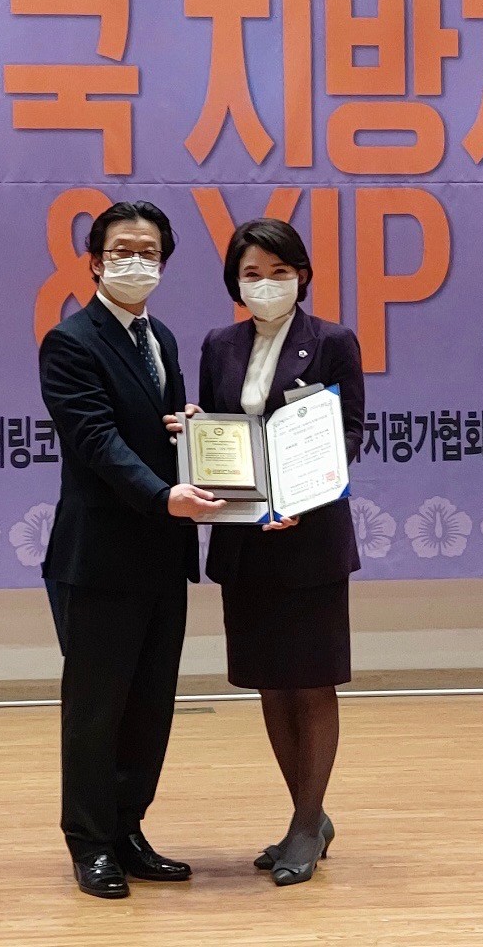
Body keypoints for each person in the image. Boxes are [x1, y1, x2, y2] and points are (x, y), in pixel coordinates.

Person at [168, 219, 364, 887]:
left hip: (309, 538)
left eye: (280, 272)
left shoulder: (332, 341)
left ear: (302, 275)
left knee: (311, 680)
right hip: (245, 539)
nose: (267, 284)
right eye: (252, 273)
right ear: (235, 281)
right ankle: (308, 815)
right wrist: (198, 433)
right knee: (270, 681)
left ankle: (305, 825)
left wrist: (301, 497)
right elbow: (224, 430)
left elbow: (349, 435)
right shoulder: (219, 344)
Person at [39, 200, 224, 899]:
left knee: (150, 706)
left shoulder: (161, 338)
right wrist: (162, 495)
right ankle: (90, 844)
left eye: (149, 252)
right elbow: (96, 441)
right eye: (122, 251)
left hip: (161, 554)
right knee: (96, 708)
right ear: (94, 261)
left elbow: (153, 430)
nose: (136, 263)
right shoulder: (71, 342)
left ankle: (128, 829)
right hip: (99, 557)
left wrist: (192, 431)